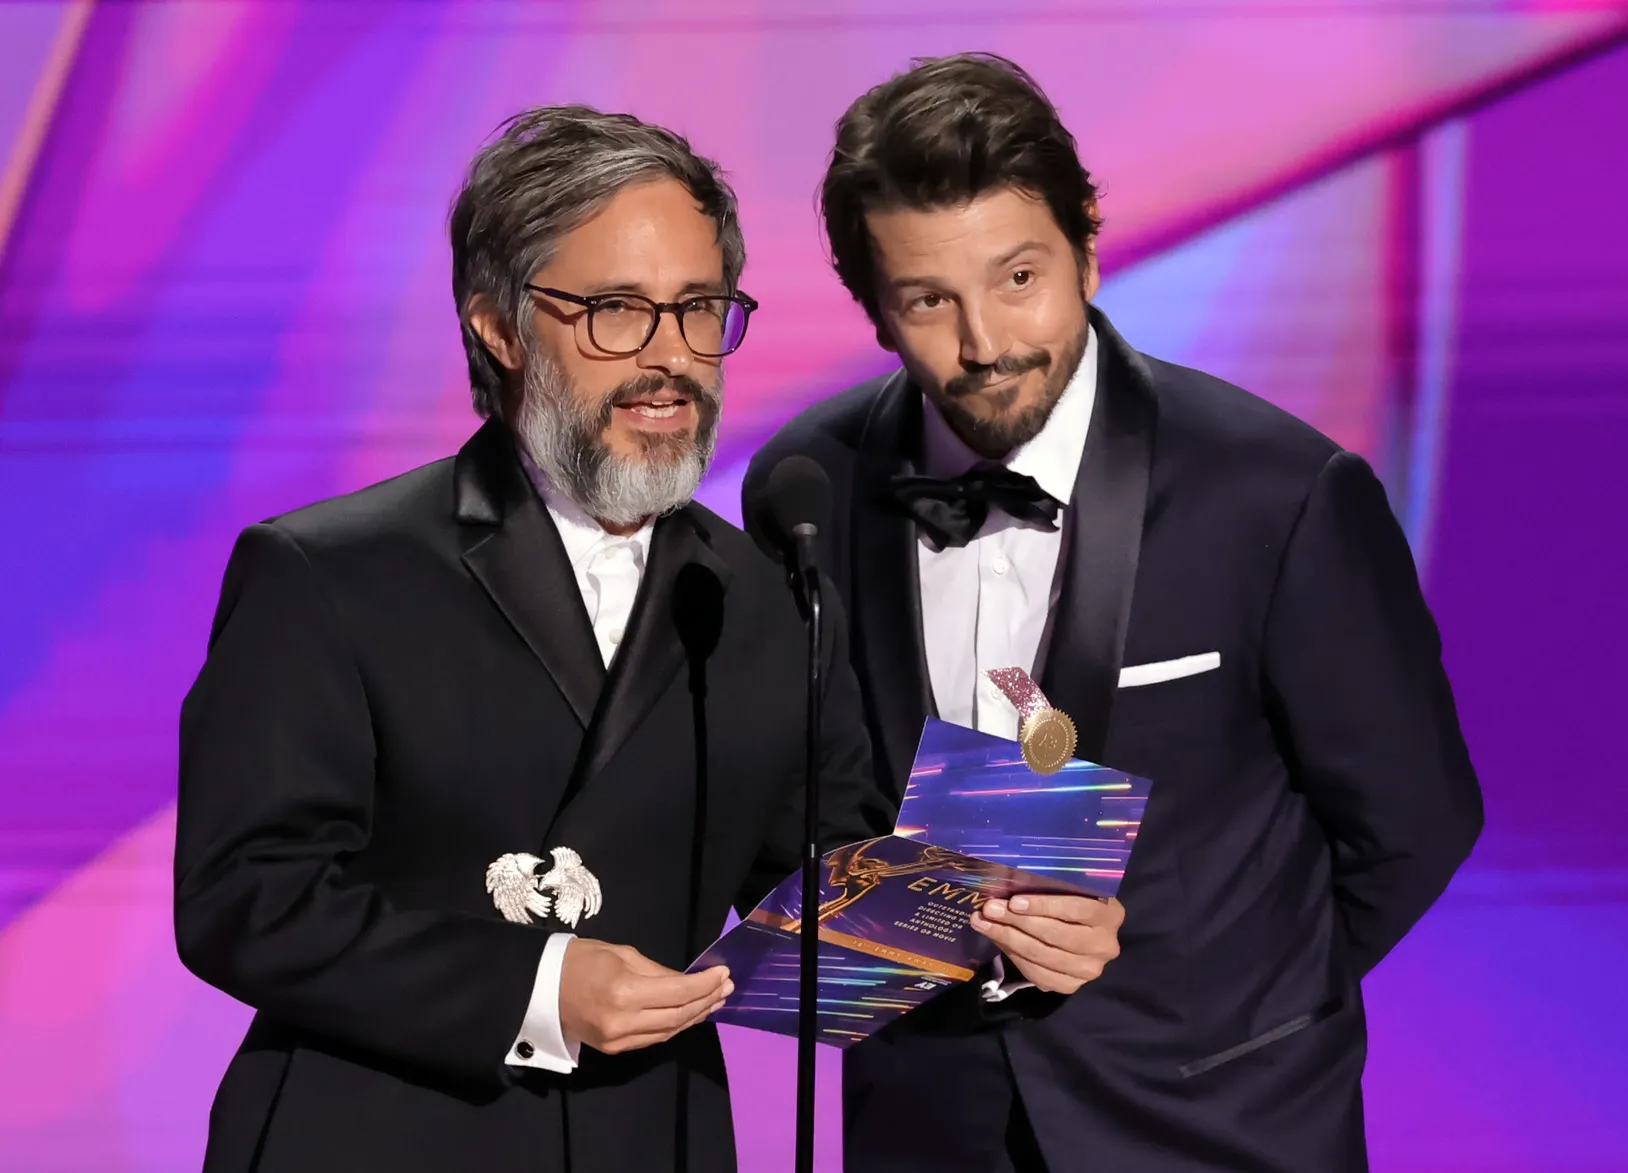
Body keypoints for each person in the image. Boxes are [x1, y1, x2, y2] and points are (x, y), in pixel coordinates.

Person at [746, 53, 1483, 1173]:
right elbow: (798, 804)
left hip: (1218, 1127)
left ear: (1087, 241)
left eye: (1018, 278)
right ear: (870, 304)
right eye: (927, 300)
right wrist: (917, 931)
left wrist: (1203, 999)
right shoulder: (809, 483)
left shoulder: (1273, 492)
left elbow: (1411, 820)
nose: (985, 342)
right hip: (924, 1128)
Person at [173, 105, 901, 1173]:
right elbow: (247, 898)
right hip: (377, 1137)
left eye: (698, 308)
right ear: (498, 326)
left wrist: (1005, 919)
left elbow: (831, 897)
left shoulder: (768, 598)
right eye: (615, 310)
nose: (668, 360)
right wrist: (539, 987)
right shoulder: (328, 573)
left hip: (651, 1139)